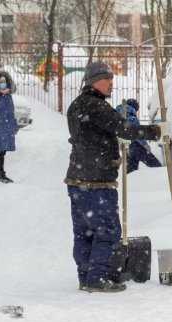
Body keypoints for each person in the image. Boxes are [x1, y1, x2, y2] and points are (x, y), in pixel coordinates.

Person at [65, 62, 162, 293]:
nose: (111, 84)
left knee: (84, 232)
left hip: (77, 180)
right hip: (97, 182)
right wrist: (154, 131)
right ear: (94, 81)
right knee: (107, 230)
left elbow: (97, 133)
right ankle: (97, 278)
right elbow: (124, 129)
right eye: (107, 79)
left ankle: (86, 275)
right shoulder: (96, 106)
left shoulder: (76, 105)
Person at [114, 98, 162, 173]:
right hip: (135, 145)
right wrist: (146, 145)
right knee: (155, 164)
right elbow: (138, 134)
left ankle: (132, 180)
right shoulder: (132, 118)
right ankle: (161, 173)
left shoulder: (118, 115)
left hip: (125, 145)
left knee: (132, 167)